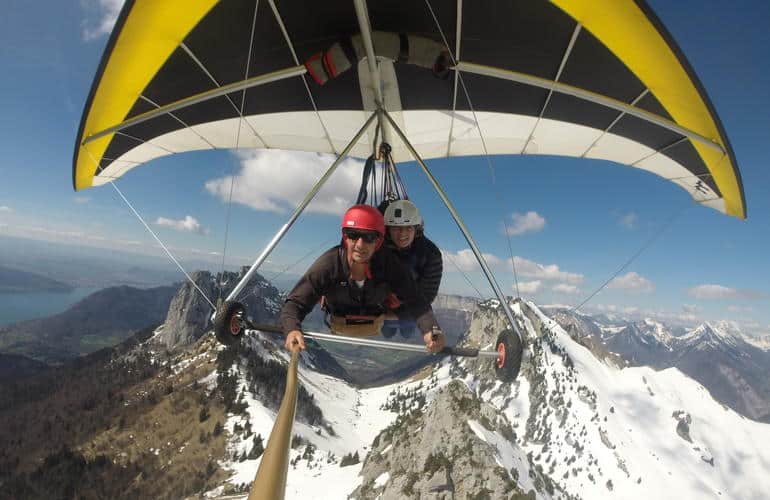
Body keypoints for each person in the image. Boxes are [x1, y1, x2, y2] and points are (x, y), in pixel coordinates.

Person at [280, 204, 445, 354]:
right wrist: (292, 329)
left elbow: (416, 300)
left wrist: (433, 330)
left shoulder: (388, 263)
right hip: (341, 316)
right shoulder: (331, 263)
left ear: (379, 241)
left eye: (369, 237)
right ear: (345, 237)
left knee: (399, 330)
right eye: (353, 235)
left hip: (376, 314)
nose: (360, 244)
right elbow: (295, 303)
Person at [380, 199, 443, 339]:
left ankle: (403, 327)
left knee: (407, 331)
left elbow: (427, 296)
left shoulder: (430, 254)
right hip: (384, 305)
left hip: (413, 306)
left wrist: (397, 313)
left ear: (416, 228)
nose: (402, 235)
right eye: (396, 228)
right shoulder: (378, 248)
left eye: (408, 228)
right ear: (388, 229)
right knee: (387, 332)